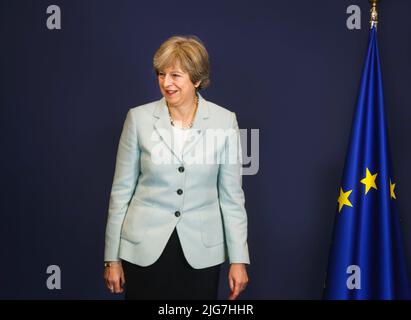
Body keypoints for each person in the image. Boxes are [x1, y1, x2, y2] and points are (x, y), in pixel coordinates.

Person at [103, 35, 250, 300]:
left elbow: (231, 198)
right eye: (161, 74)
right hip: (142, 251)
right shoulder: (138, 119)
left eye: (175, 75)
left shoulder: (225, 121)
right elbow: (121, 192)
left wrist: (239, 259)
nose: (166, 83)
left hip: (201, 254)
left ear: (196, 79)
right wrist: (111, 258)